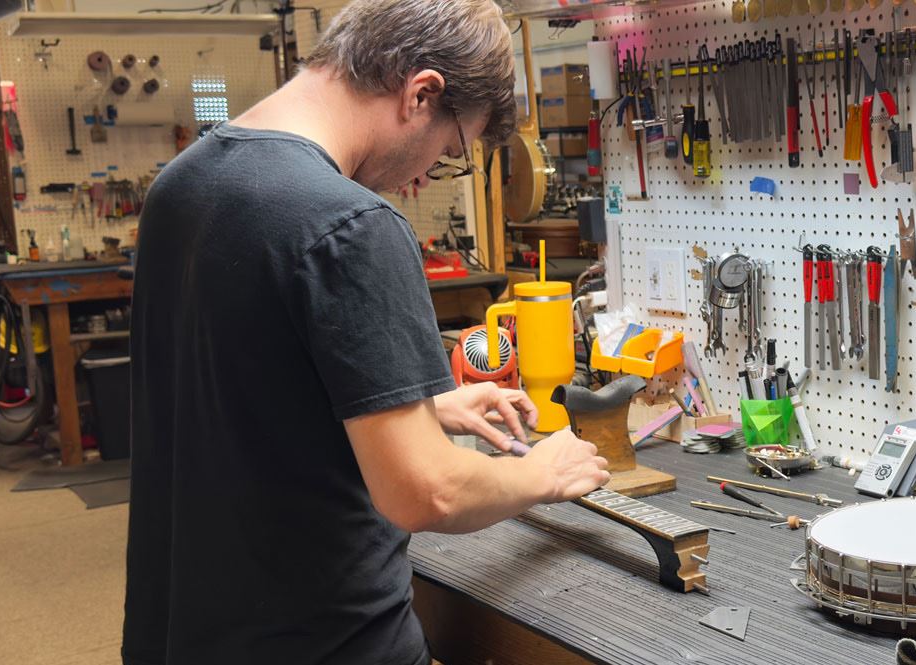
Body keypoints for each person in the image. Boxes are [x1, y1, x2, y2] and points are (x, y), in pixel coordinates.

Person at [122, 1, 610, 663]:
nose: (419, 179)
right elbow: (426, 491)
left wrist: (417, 403)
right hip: (322, 640)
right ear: (422, 93)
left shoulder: (182, 184)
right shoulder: (350, 223)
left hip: (185, 632)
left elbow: (238, 383)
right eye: (446, 152)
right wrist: (544, 474)